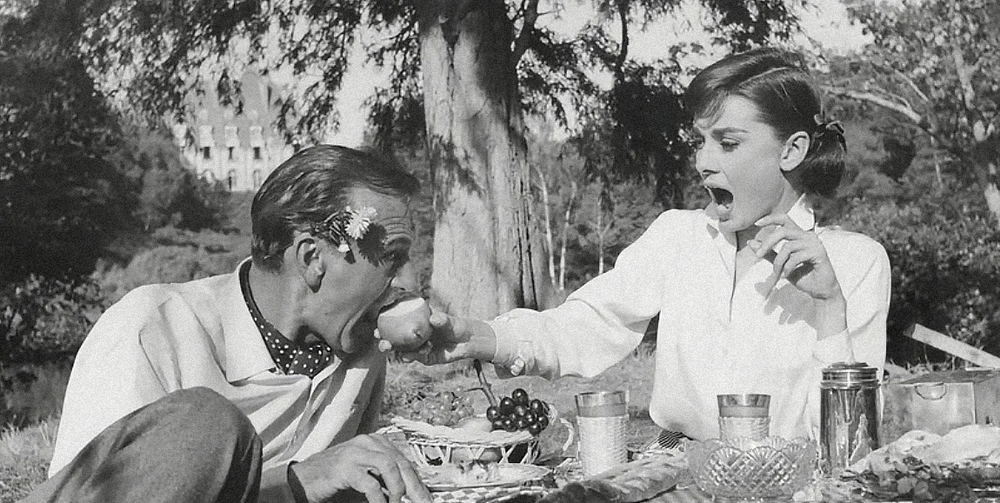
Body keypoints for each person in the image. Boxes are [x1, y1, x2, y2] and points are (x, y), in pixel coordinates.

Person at [407, 47, 891, 444]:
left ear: (792, 150)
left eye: (727, 143)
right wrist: (480, 336)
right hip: (673, 474)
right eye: (699, 142)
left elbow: (852, 445)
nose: (703, 162)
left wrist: (830, 306)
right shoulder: (677, 237)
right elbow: (590, 323)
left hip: (790, 486)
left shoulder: (855, 262)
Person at [28, 145, 434, 503]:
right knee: (209, 427)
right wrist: (299, 482)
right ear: (312, 259)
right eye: (393, 259)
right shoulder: (150, 329)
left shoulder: (358, 349)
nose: (410, 284)